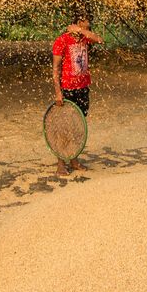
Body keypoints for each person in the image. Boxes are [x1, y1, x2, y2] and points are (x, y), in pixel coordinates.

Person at [51, 10, 104, 176]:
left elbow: (100, 40)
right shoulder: (62, 40)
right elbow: (55, 69)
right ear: (79, 21)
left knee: (78, 125)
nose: (89, 24)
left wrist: (80, 31)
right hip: (67, 89)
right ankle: (61, 163)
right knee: (64, 126)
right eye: (86, 21)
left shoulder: (84, 38)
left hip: (83, 87)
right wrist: (58, 92)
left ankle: (73, 160)